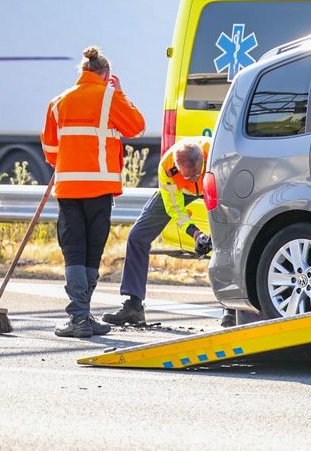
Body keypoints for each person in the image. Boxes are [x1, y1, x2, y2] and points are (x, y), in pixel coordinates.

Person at [42, 46, 145, 338]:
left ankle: (79, 317)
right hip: (100, 189)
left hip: (69, 188)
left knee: (73, 250)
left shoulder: (58, 102)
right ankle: (82, 317)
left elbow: (50, 149)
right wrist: (121, 93)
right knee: (91, 251)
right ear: (106, 75)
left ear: (83, 72)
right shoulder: (110, 98)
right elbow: (136, 127)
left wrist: (66, 161)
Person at [103, 136, 237, 328]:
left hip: (215, 185)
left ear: (202, 162)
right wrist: (196, 234)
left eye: (195, 174)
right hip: (179, 192)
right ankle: (133, 306)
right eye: (187, 176)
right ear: (177, 167)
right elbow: (175, 208)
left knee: (229, 236)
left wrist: (216, 236)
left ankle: (231, 305)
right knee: (137, 236)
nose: (193, 179)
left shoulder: (217, 156)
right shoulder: (167, 168)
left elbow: (229, 202)